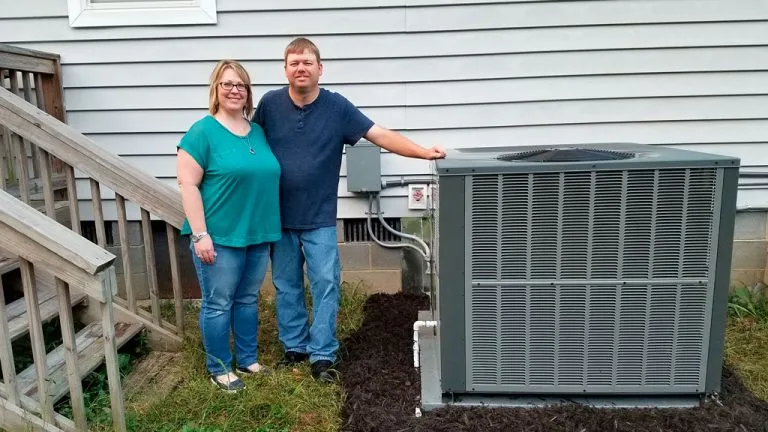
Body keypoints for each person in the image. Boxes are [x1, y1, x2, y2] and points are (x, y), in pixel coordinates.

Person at [252, 37, 446, 383]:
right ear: (285, 70)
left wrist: (423, 152)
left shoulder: (337, 108)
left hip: (320, 218)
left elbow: (379, 134)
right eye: (294, 63)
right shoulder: (268, 105)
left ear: (320, 69)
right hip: (277, 217)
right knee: (286, 284)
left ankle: (322, 354)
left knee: (326, 283)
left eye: (307, 62)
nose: (301, 68)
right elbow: (246, 140)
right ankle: (294, 348)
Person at [177, 60, 282, 392]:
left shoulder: (258, 131)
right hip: (219, 236)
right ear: (216, 91)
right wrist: (200, 235)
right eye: (227, 84)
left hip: (257, 233)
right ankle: (219, 367)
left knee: (248, 299)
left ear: (248, 92)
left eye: (241, 85)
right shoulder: (202, 131)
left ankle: (247, 360)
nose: (235, 90)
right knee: (218, 302)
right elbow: (187, 184)